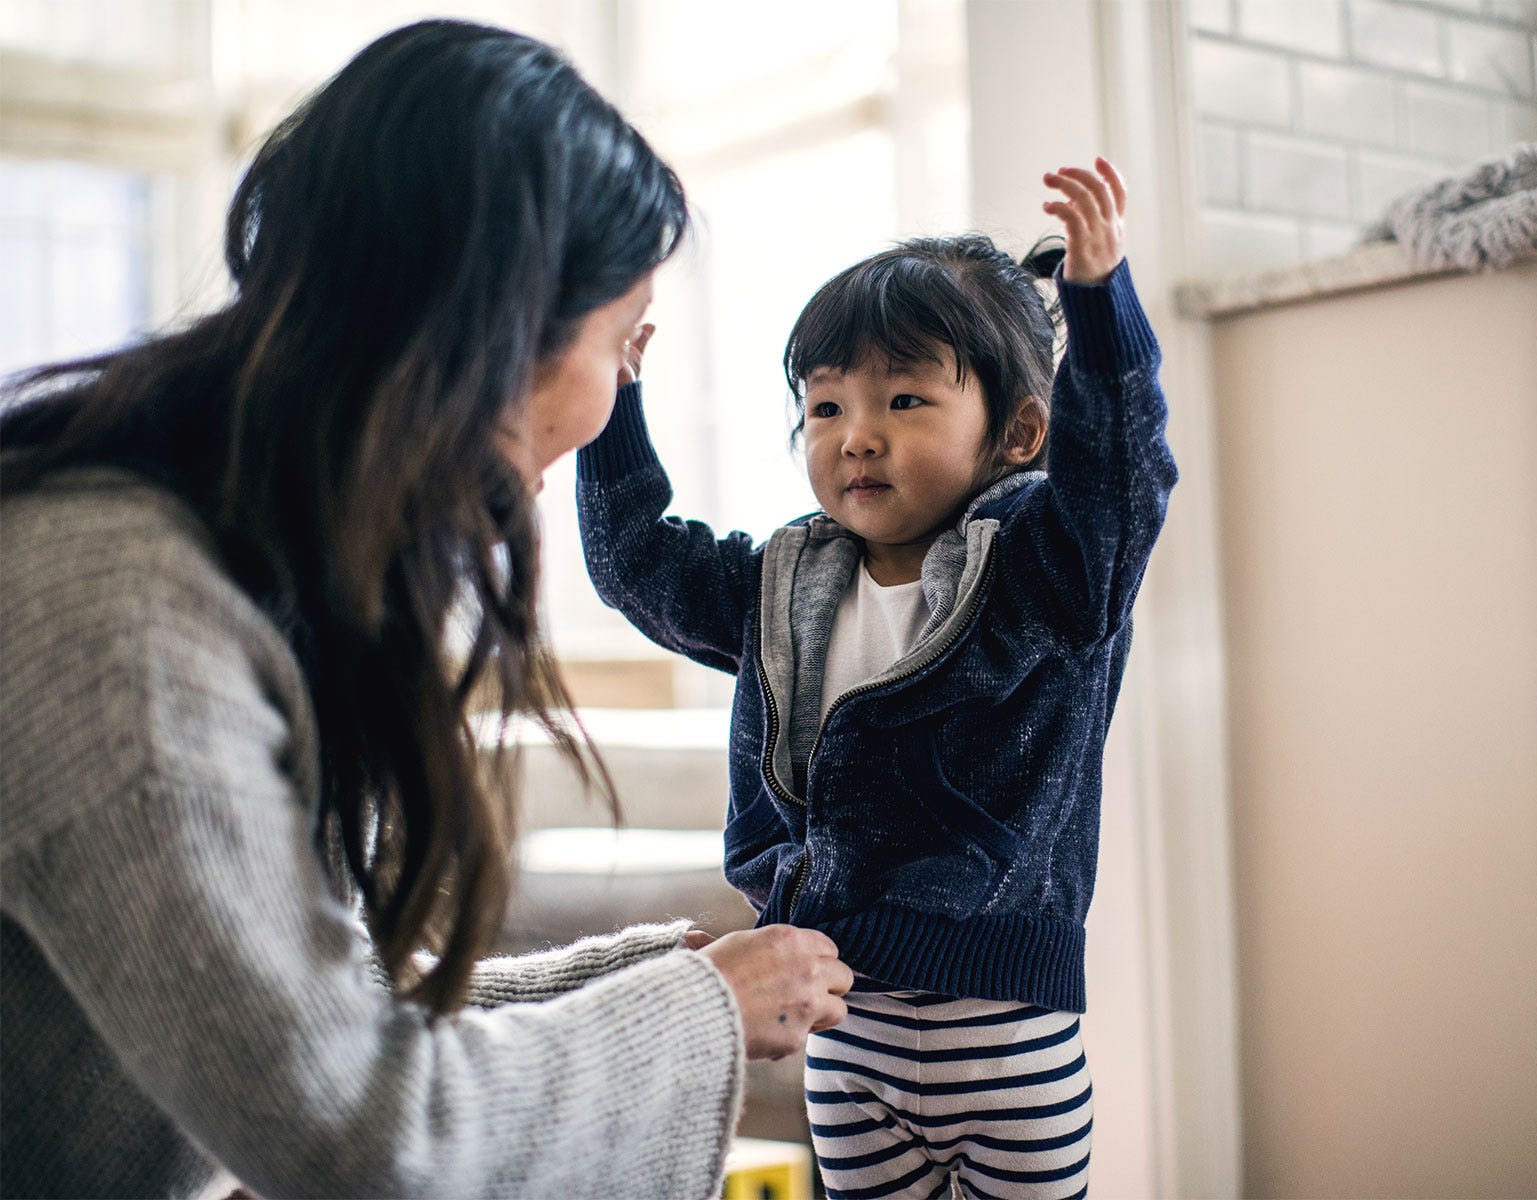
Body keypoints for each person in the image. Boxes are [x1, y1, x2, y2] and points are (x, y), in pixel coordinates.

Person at [0, 19, 853, 1200]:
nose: (613, 399)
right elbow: (362, 1129)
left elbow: (326, 1010)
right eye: (622, 342)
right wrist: (699, 1013)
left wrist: (660, 981)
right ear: (496, 331)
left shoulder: (246, 557)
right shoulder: (123, 621)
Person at [577, 158, 1177, 1199]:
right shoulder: (783, 582)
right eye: (824, 407)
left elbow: (1121, 483)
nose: (857, 434)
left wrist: (1103, 307)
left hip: (1011, 1051)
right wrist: (614, 402)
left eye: (904, 400)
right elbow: (638, 565)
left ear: (1020, 432)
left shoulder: (1047, 573)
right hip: (849, 1049)